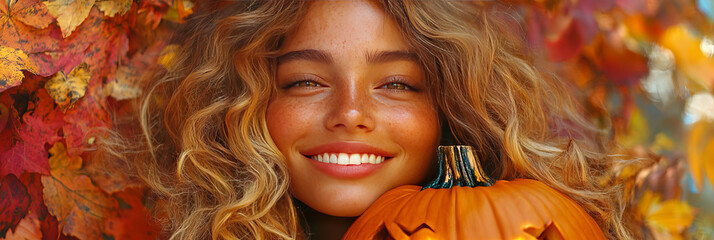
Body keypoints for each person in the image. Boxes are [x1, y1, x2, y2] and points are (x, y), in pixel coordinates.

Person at [101, 0, 636, 239]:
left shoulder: (530, 227)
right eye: (306, 81)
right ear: (246, 102)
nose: (350, 114)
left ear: (454, 105)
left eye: (398, 84)